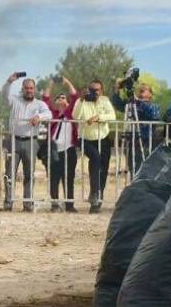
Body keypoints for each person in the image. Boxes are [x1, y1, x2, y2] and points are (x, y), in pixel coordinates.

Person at [1, 74, 51, 212]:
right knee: (9, 173)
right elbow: (4, 95)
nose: (29, 90)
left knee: (29, 174)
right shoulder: (14, 100)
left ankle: (28, 203)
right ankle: (8, 203)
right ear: (22, 89)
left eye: (31, 88)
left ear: (34, 89)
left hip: (31, 142)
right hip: (13, 141)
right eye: (26, 88)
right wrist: (9, 81)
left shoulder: (39, 104)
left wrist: (39, 116)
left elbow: (49, 114)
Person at [72, 79, 117, 213]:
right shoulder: (81, 101)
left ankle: (97, 200)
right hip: (86, 138)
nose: (94, 92)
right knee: (95, 159)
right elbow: (75, 116)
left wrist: (99, 117)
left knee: (103, 169)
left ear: (101, 91)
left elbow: (112, 116)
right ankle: (94, 195)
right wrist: (81, 100)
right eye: (91, 89)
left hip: (103, 138)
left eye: (97, 90)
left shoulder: (104, 101)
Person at [43, 77, 79, 212]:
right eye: (58, 97)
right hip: (53, 150)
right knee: (54, 178)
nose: (61, 98)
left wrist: (67, 82)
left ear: (67, 101)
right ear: (56, 102)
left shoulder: (70, 113)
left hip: (69, 149)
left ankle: (69, 204)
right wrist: (51, 83)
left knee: (68, 178)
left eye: (64, 97)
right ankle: (54, 204)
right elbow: (46, 98)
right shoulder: (52, 113)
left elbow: (75, 95)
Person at [113, 81, 160, 177]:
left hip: (147, 142)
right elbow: (118, 104)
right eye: (139, 90)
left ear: (150, 94)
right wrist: (117, 89)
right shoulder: (132, 104)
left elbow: (153, 115)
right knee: (134, 169)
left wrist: (137, 101)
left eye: (144, 90)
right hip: (133, 141)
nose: (140, 91)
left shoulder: (154, 106)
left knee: (146, 170)